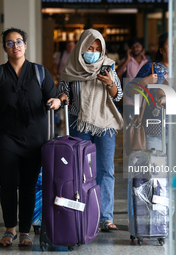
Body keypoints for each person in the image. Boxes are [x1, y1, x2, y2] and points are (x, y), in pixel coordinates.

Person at [0, 28, 62, 247]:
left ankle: (25, 231)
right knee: (7, 184)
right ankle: (9, 229)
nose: (15, 46)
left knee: (28, 185)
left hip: (35, 138)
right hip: (5, 137)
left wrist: (56, 102)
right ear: (4, 47)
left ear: (25, 44)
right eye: (10, 43)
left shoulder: (39, 72)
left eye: (19, 41)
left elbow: (53, 96)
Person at [58, 29, 123, 231]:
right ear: (81, 47)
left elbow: (118, 95)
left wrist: (110, 83)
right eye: (89, 48)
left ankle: (105, 217)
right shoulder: (71, 67)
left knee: (106, 170)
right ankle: (84, 212)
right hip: (79, 122)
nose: (93, 52)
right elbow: (63, 92)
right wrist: (62, 98)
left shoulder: (108, 65)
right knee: (81, 170)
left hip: (105, 123)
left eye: (97, 48)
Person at [126, 32, 169, 151]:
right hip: (154, 132)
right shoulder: (151, 67)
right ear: (161, 50)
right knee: (156, 168)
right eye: (169, 45)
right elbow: (129, 91)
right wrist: (144, 82)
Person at [116, 37, 149, 123]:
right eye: (133, 47)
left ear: (142, 47)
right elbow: (118, 73)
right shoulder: (125, 61)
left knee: (142, 128)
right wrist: (127, 59)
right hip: (129, 99)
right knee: (130, 127)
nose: (135, 49)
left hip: (144, 99)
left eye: (137, 46)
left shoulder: (148, 62)